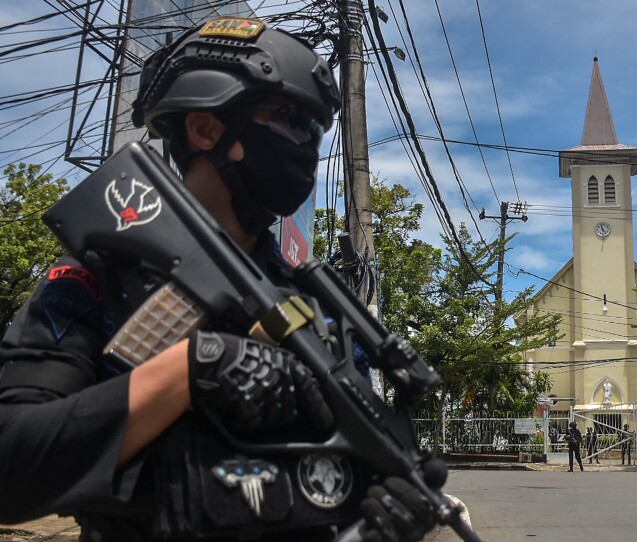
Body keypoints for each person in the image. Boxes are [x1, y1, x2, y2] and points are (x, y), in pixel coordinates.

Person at [0, 17, 439, 542]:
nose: (307, 149)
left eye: (316, 133)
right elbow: (11, 468)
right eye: (292, 120)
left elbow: (329, 490)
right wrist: (195, 366)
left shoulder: (318, 312)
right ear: (207, 128)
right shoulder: (100, 278)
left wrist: (384, 521)